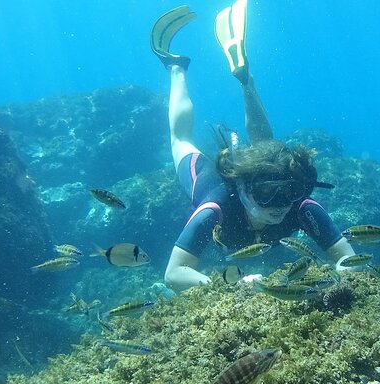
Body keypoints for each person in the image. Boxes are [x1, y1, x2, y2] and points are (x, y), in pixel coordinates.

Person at [151, 2, 357, 292]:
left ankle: (246, 79)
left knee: (268, 154)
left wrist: (336, 281)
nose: (280, 205)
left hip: (257, 169)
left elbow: (347, 261)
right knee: (180, 139)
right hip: (210, 178)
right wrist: (233, 287)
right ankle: (175, 68)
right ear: (244, 189)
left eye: (291, 191)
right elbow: (174, 273)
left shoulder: (301, 207)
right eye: (265, 193)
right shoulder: (216, 206)